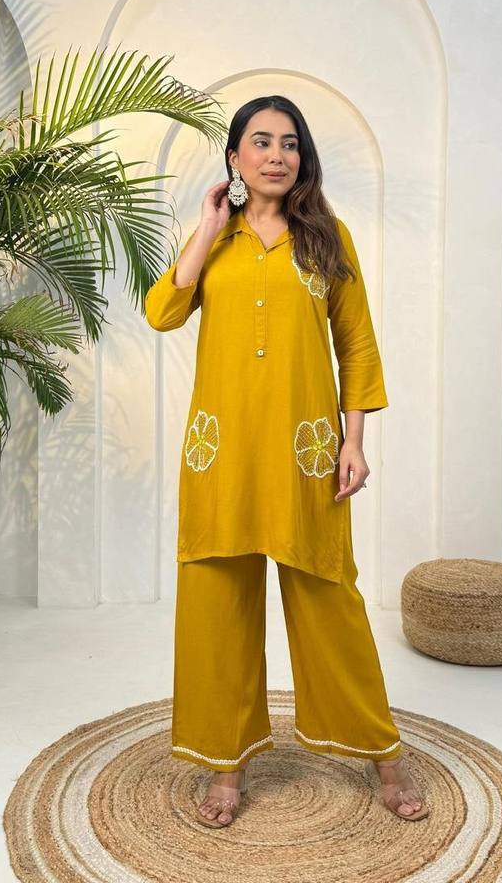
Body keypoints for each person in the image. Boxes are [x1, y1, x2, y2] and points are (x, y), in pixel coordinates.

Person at [144, 95, 429, 828]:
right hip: (221, 453)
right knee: (218, 608)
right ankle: (225, 767)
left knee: (330, 601)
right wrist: (207, 229)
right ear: (235, 157)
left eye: (290, 143)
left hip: (306, 454)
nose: (278, 155)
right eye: (262, 141)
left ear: (303, 158)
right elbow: (162, 312)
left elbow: (356, 344)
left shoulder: (326, 236)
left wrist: (353, 442)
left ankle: (384, 755)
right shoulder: (215, 240)